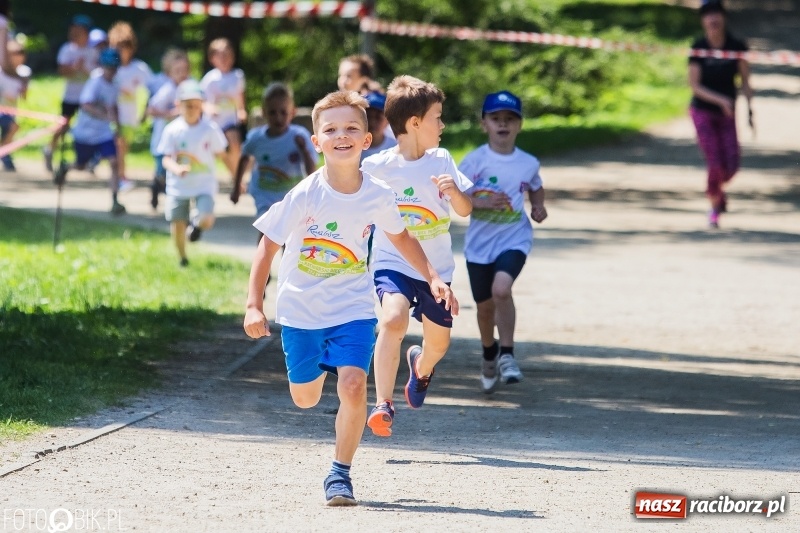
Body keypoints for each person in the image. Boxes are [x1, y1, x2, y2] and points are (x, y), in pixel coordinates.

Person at [242, 90, 455, 506]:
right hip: (301, 310)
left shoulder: (376, 192)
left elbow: (402, 235)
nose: (342, 135)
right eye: (331, 129)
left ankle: (340, 474)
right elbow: (267, 246)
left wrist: (432, 276)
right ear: (317, 142)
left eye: (352, 128)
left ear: (366, 140)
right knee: (305, 398)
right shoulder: (306, 194)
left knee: (355, 385)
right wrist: (254, 303)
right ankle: (317, 366)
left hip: (352, 308)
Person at [361, 75, 472, 437]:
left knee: (439, 343)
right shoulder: (377, 168)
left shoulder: (441, 160)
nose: (442, 125)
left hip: (437, 270)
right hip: (393, 262)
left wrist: (454, 192)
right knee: (393, 320)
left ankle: (421, 367)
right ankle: (382, 403)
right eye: (437, 117)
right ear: (414, 123)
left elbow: (466, 209)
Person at [459, 90, 548, 394]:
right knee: (484, 308)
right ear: (484, 123)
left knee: (502, 289)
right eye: (495, 118)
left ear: (519, 125)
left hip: (515, 237)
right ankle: (489, 353)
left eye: (510, 119)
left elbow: (535, 187)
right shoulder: (474, 161)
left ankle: (507, 354)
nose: (503, 124)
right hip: (479, 246)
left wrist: (537, 206)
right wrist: (480, 203)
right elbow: (456, 197)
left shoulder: (528, 162)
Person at [689, 0, 753, 229]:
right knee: (715, 164)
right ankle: (714, 207)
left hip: (728, 114)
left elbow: (745, 81)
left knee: (731, 167)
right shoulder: (698, 46)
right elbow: (694, 85)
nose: (713, 19)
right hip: (702, 111)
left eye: (717, 14)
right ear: (702, 20)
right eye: (708, 15)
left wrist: (750, 107)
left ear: (724, 18)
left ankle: (718, 192)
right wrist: (720, 100)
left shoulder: (736, 46)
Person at [157, 80, 227, 267]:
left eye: (197, 106)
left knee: (206, 219)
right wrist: (176, 169)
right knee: (177, 224)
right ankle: (182, 258)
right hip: (178, 186)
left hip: (204, 184)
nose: (193, 109)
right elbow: (166, 158)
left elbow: (222, 153)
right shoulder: (172, 130)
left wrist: (235, 175)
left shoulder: (209, 129)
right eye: (188, 105)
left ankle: (196, 227)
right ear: (179, 105)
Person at [231, 82, 317, 223]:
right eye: (272, 112)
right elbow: (244, 158)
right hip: (264, 194)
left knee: (288, 235)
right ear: (264, 112)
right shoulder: (256, 138)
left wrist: (304, 151)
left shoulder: (299, 137)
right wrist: (236, 188)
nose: (278, 118)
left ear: (292, 112)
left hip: (292, 194)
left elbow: (312, 170)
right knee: (267, 228)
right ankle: (261, 246)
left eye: (283, 112)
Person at [69, 48, 124, 214]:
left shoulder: (115, 84)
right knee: (81, 165)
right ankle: (66, 167)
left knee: (114, 162)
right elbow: (85, 104)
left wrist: (116, 126)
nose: (111, 72)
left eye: (114, 68)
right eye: (109, 68)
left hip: (103, 133)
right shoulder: (95, 81)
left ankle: (115, 200)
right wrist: (103, 115)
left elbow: (114, 106)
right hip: (86, 132)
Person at [44, 15, 97, 172]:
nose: (74, 33)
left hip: (87, 99)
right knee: (63, 125)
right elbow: (61, 71)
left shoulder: (93, 51)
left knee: (88, 128)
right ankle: (49, 150)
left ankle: (87, 158)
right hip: (70, 96)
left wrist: (84, 69)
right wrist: (74, 68)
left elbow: (96, 75)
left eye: (78, 31)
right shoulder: (67, 49)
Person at [108, 21, 152, 192]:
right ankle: (120, 176)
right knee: (118, 145)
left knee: (122, 147)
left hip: (129, 116)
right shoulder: (109, 69)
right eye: (116, 47)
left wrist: (146, 111)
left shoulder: (139, 69)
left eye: (123, 47)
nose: (120, 52)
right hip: (111, 116)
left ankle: (119, 175)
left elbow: (153, 88)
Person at [147, 48, 190, 210]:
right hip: (162, 140)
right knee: (161, 170)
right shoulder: (168, 90)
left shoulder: (189, 88)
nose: (182, 74)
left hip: (180, 141)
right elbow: (151, 109)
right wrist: (170, 114)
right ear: (169, 73)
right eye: (178, 71)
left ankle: (171, 196)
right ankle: (156, 187)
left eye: (185, 70)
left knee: (175, 170)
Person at [200, 38, 246, 177]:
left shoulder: (237, 76)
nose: (224, 59)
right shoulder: (210, 78)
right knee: (215, 152)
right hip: (213, 122)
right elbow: (201, 101)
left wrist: (241, 111)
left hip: (229, 121)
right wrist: (208, 108)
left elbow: (240, 97)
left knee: (235, 145)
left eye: (227, 55)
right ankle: (208, 177)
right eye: (220, 56)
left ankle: (237, 176)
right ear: (212, 59)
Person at [0, 39, 29, 171]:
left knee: (9, 131)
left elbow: (24, 96)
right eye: (13, 53)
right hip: (2, 109)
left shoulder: (24, 72)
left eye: (20, 52)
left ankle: (4, 153)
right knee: (13, 127)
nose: (17, 56)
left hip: (11, 110)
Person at [360, 91, 396, 161]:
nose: (372, 122)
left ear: (388, 120)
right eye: (368, 116)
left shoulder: (396, 148)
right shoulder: (352, 148)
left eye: (378, 117)